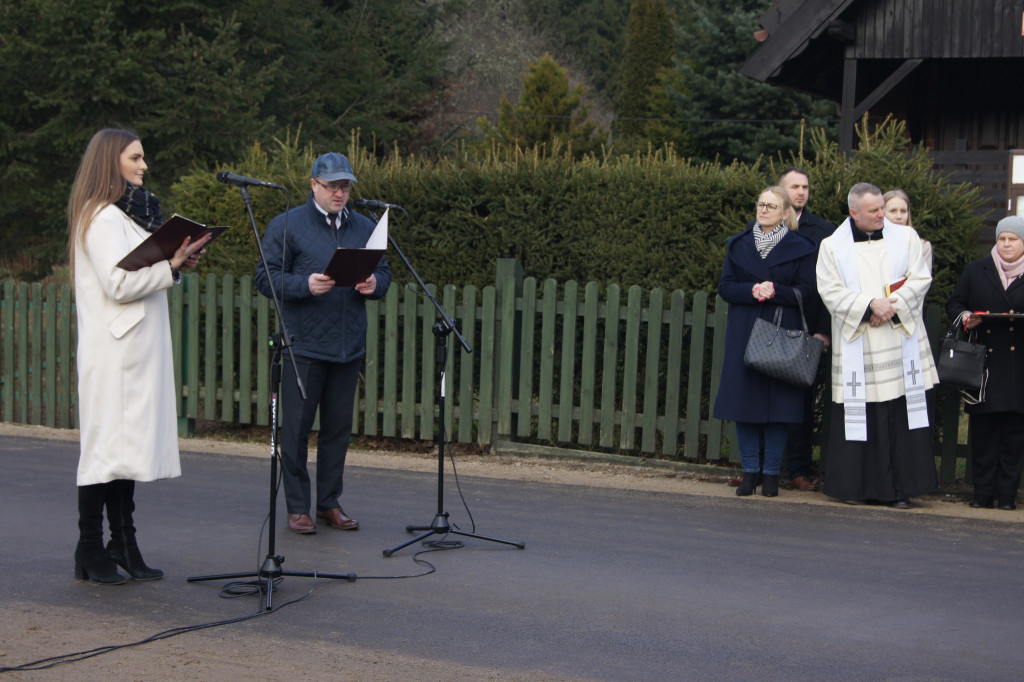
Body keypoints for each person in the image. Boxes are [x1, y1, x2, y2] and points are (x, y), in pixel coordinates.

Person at [69, 128, 209, 585]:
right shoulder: (100, 217)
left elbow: (139, 269)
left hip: (130, 351)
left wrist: (176, 261)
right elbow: (118, 283)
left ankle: (122, 542)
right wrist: (168, 267)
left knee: (122, 453)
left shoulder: (123, 216)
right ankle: (89, 547)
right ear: (112, 161)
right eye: (135, 157)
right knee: (103, 453)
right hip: (114, 355)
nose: (143, 165)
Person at [254, 152, 391, 534]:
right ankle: (298, 506)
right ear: (313, 184)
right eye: (332, 186)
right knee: (295, 432)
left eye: (345, 186)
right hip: (304, 346)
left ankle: (329, 503)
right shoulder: (287, 225)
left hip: (348, 346)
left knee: (337, 430)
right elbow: (265, 278)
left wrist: (374, 285)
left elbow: (383, 271)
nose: (340, 193)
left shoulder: (364, 226)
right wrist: (304, 285)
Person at [817, 183, 939, 508]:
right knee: (862, 415)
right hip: (860, 340)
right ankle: (855, 489)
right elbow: (829, 290)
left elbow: (921, 278)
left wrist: (890, 306)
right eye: (874, 211)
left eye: (882, 208)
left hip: (898, 338)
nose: (882, 215)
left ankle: (899, 489)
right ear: (853, 213)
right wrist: (869, 305)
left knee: (896, 414)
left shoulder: (906, 238)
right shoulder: (832, 247)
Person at [713, 186, 818, 497]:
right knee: (744, 404)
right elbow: (726, 287)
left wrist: (776, 291)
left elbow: (807, 291)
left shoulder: (802, 247)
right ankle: (749, 473)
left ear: (785, 212)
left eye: (771, 206)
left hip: (779, 332)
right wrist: (751, 291)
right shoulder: (739, 244)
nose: (764, 210)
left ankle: (771, 475)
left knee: (778, 407)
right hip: (744, 330)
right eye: (761, 205)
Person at [947, 215, 1024, 510]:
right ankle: (982, 494)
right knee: (984, 432)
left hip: (1018, 365)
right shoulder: (976, 270)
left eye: (1013, 239)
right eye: (1002, 238)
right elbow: (956, 303)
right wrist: (967, 317)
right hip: (984, 365)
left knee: (1014, 435)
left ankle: (1006, 496)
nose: (1006, 244)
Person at [777, 167, 836, 492]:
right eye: (794, 186)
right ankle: (758, 467)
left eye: (805, 187)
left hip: (807, 327)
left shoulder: (825, 231)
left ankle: (799, 470)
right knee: (763, 397)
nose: (801, 192)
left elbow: (835, 285)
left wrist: (824, 330)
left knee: (801, 400)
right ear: (780, 190)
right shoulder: (764, 227)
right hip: (770, 326)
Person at [883, 188, 933, 271]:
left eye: (903, 211)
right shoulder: (872, 243)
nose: (899, 216)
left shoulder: (922, 246)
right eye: (893, 211)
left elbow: (923, 280)